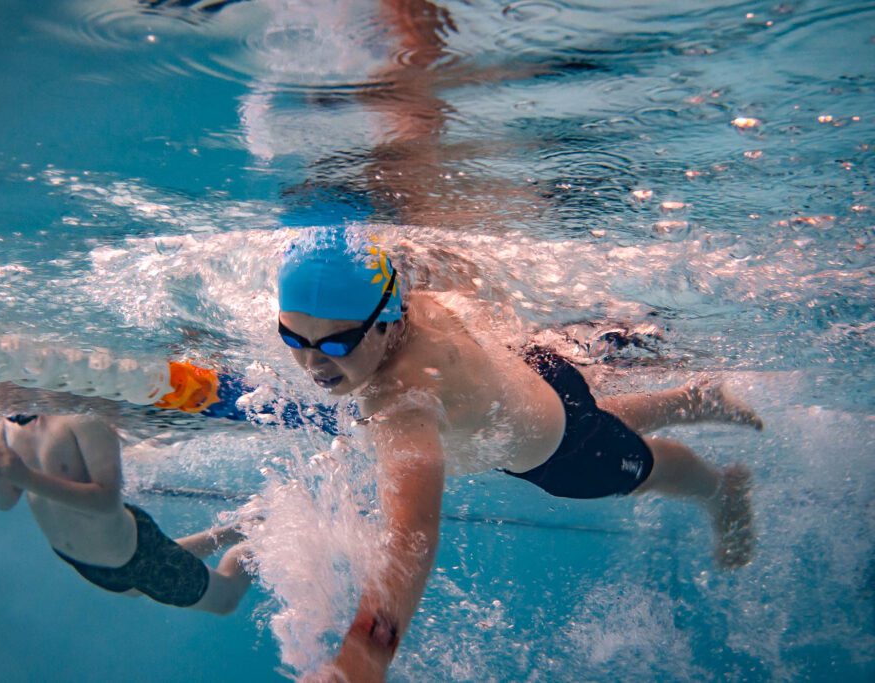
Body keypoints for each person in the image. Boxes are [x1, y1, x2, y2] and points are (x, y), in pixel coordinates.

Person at [276, 226, 761, 681]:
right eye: (292, 338)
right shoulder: (405, 304)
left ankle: (722, 490)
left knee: (644, 466)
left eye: (336, 343)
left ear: (385, 323)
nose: (312, 362)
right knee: (592, 420)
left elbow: (411, 535)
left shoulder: (402, 402)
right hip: (536, 372)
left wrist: (365, 654)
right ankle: (694, 400)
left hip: (557, 454)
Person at [0, 396, 252, 614]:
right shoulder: (8, 424)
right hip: (87, 565)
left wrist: (25, 477)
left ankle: (263, 531)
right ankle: (239, 529)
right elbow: (5, 500)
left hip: (137, 557)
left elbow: (106, 502)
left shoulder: (83, 415)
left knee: (226, 598)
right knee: (140, 585)